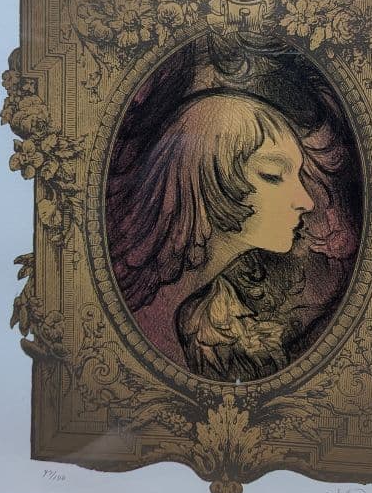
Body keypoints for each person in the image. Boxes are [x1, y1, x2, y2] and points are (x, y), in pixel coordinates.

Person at [108, 90, 315, 381]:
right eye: (273, 174)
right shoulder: (140, 308)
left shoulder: (215, 309)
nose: (306, 202)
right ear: (206, 179)